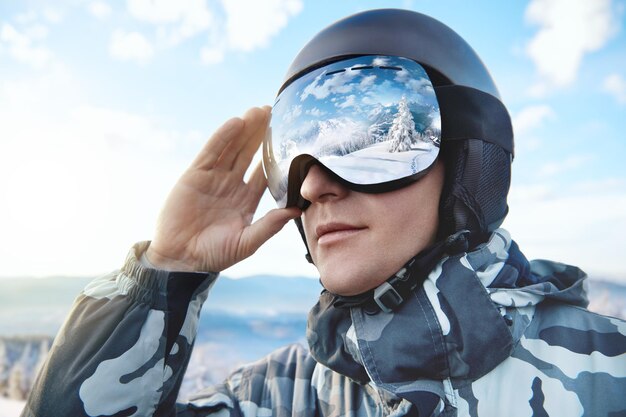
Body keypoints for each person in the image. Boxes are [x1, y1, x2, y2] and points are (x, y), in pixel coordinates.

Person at [23, 9, 626, 417]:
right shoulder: (281, 396)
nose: (312, 186)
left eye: (365, 147)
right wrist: (166, 275)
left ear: (469, 160)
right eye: (294, 157)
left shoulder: (607, 376)